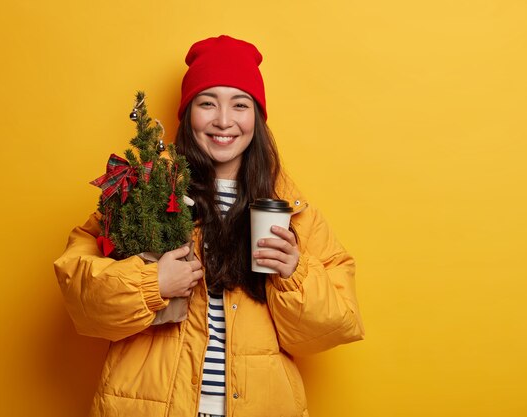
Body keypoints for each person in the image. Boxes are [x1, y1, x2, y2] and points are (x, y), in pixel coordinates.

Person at [54, 35, 364, 417]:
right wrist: (153, 284)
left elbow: (334, 327)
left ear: (257, 117)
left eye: (240, 104)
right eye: (207, 103)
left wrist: (294, 274)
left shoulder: (294, 214)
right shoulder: (143, 194)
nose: (223, 120)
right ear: (188, 114)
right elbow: (81, 297)